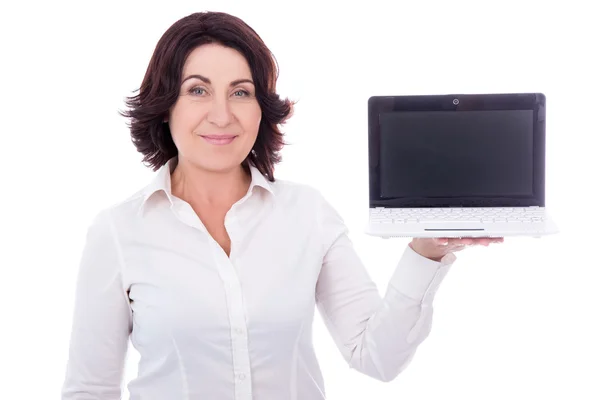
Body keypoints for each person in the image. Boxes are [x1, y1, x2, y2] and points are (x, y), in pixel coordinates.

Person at [60, 11, 503, 400]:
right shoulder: (118, 231)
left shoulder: (307, 214)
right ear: (164, 105)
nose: (221, 114)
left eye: (240, 92)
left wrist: (427, 251)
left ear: (260, 108)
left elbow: (377, 357)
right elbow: (90, 390)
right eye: (197, 91)